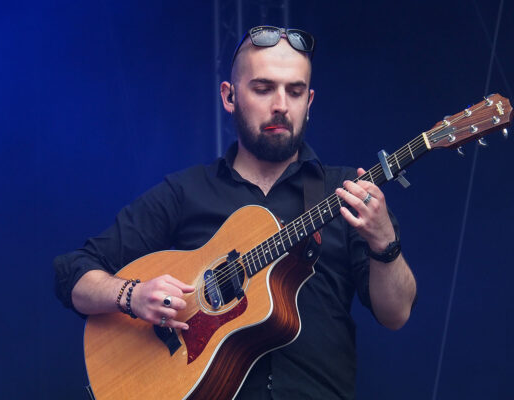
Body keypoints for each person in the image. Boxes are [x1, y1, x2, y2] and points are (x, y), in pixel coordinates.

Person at [54, 26, 416, 399]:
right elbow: (73, 274)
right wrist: (133, 295)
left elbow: (396, 314)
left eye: (294, 92)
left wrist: (384, 242)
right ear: (229, 96)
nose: (280, 105)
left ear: (309, 102)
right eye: (263, 89)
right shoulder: (186, 192)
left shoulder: (346, 193)